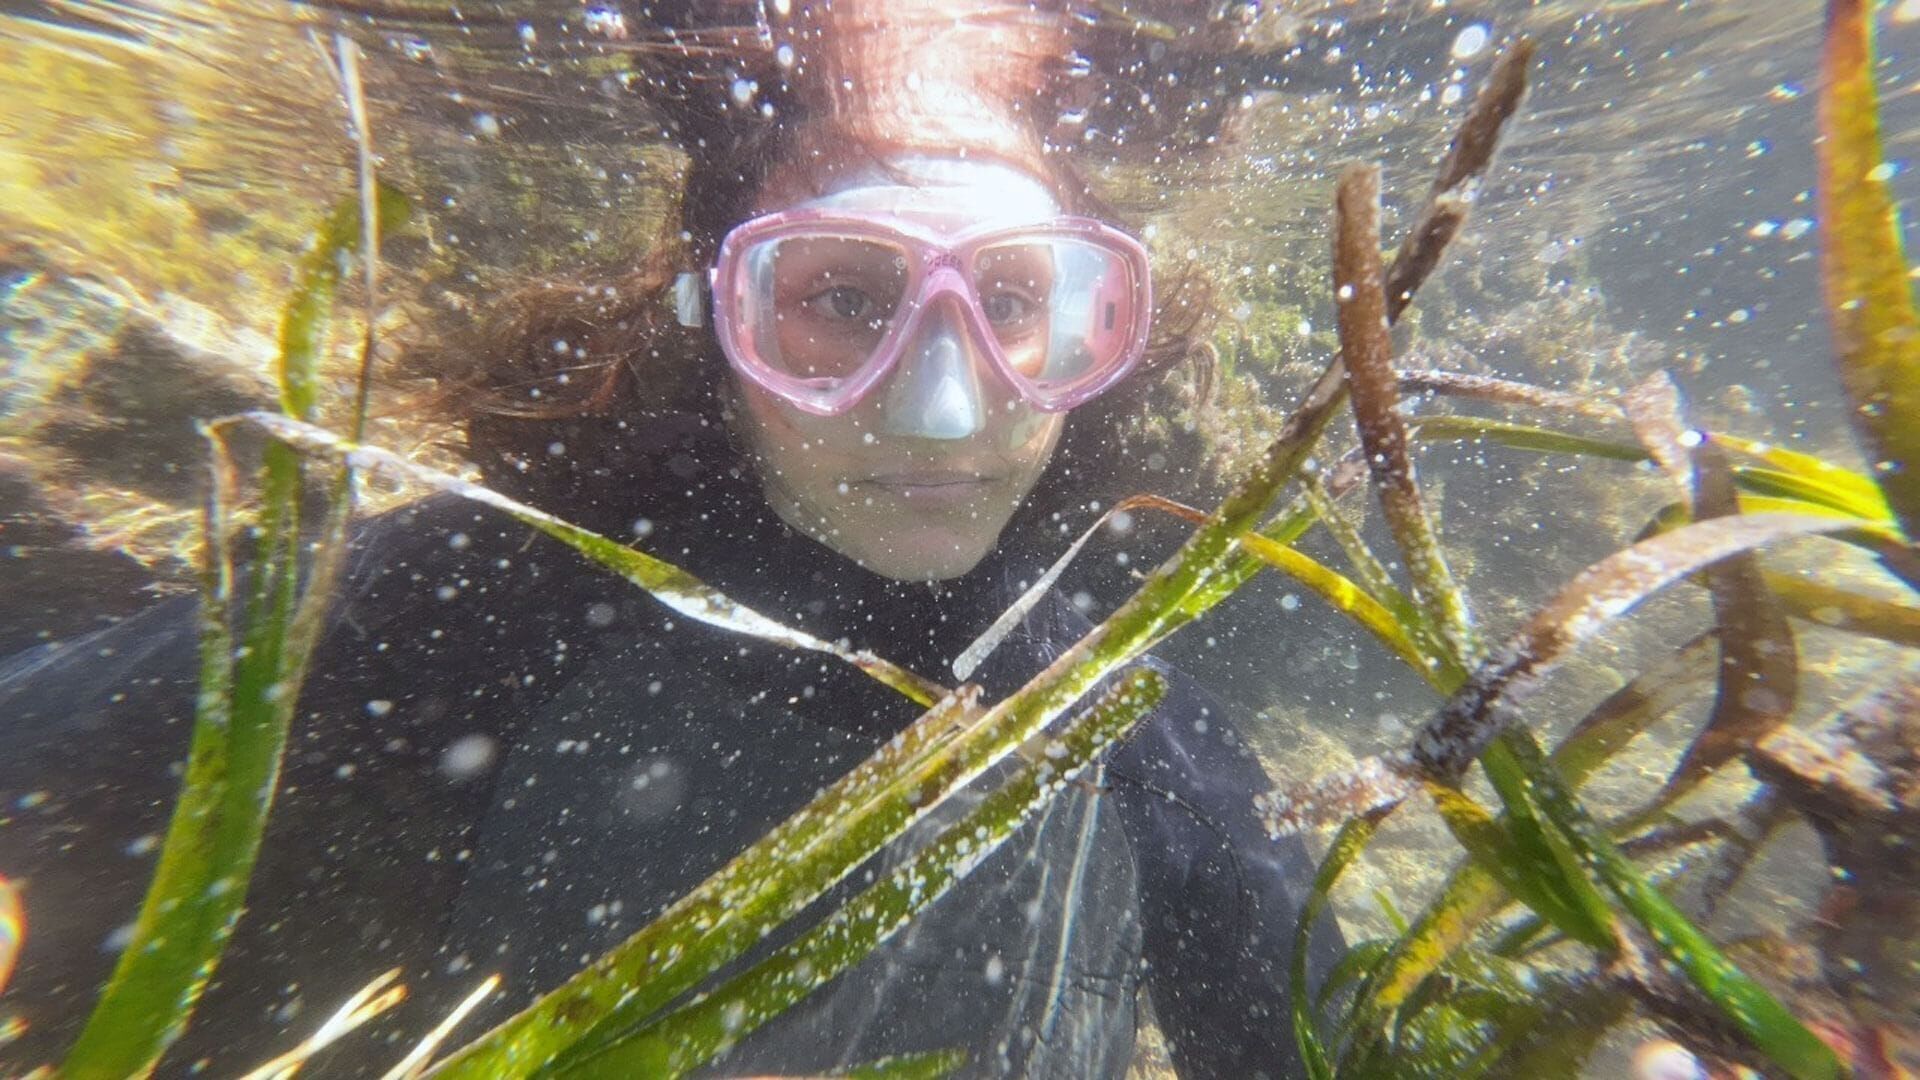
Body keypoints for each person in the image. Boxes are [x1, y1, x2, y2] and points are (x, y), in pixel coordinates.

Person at [0, 3, 1342, 1076]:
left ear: (1099, 336)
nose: (945, 413)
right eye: (843, 299)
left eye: (1016, 300)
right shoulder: (481, 596)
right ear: (720, 315)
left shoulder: (1146, 738)